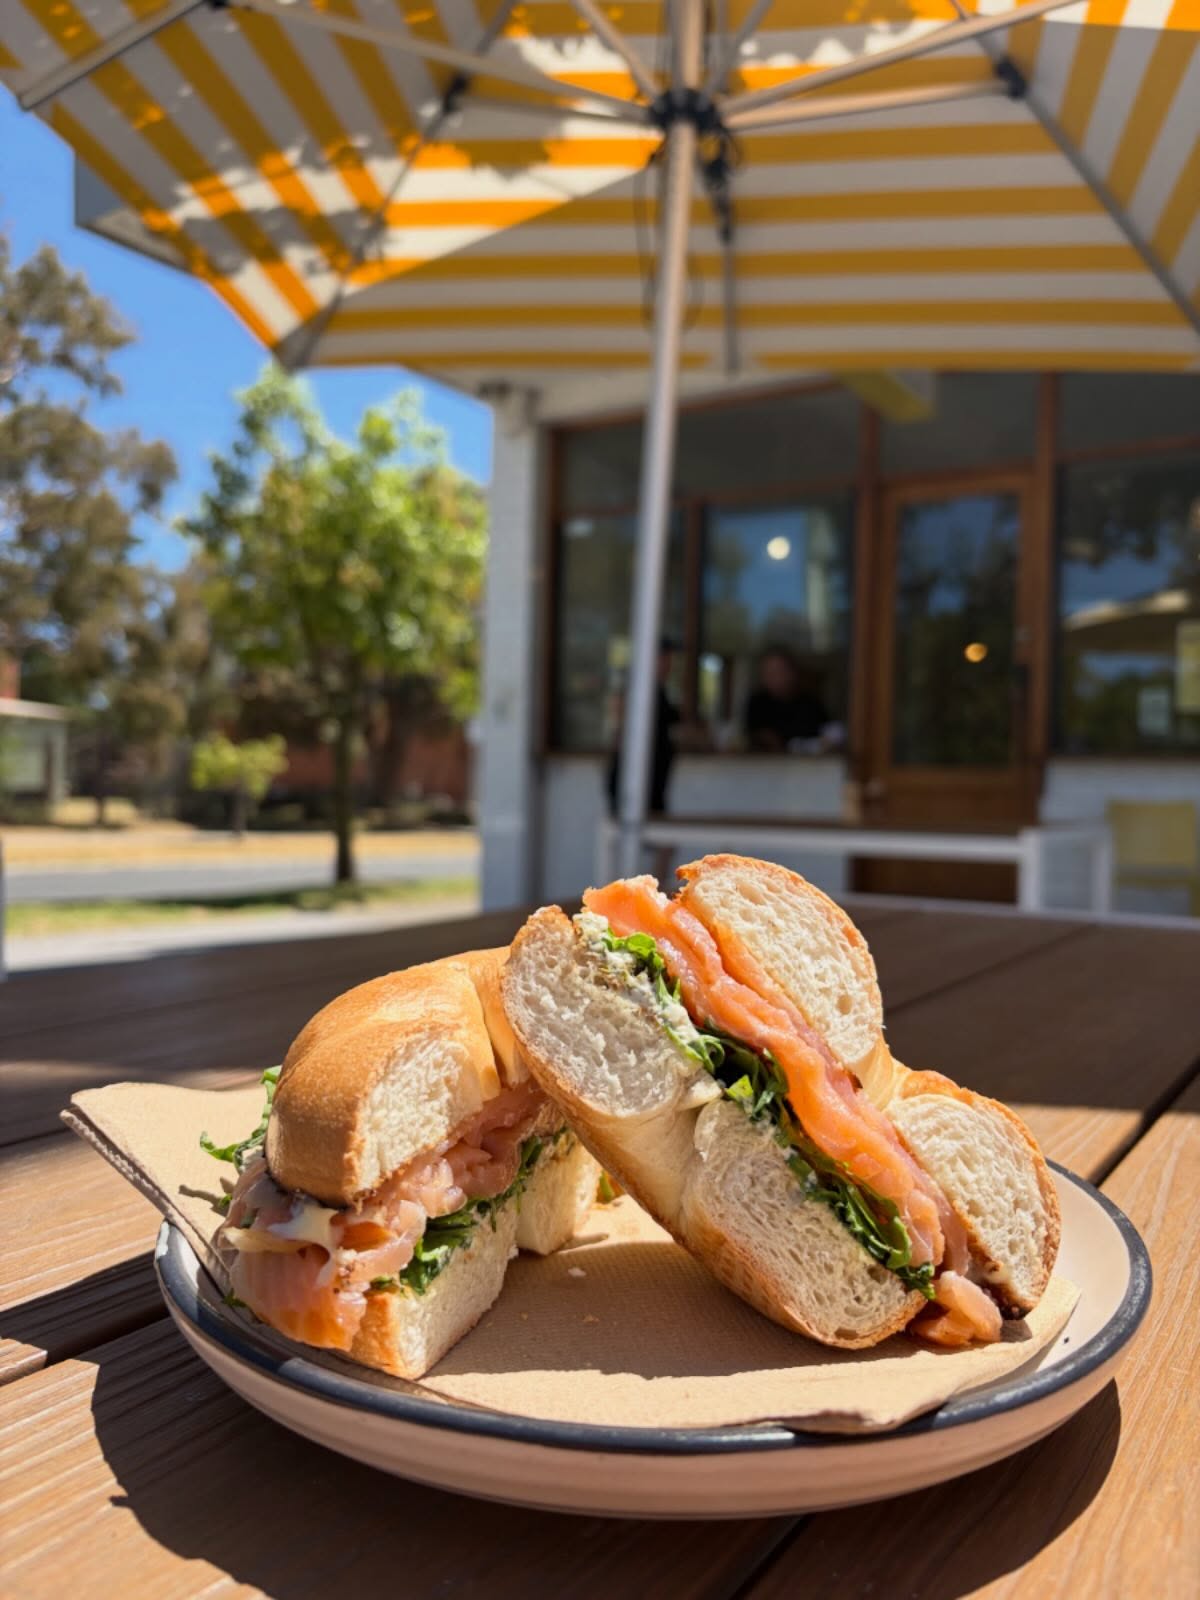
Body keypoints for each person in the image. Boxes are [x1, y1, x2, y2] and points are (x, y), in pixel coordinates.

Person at [607, 638, 680, 818]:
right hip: (637, 784)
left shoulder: (658, 692)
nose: (669, 665)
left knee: (660, 841)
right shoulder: (640, 691)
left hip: (649, 784)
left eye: (669, 659)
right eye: (664, 658)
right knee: (652, 840)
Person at [744, 646, 830, 752]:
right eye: (769, 672)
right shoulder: (757, 703)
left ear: (792, 673)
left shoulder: (810, 703)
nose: (774, 677)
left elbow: (828, 736)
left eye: (779, 671)